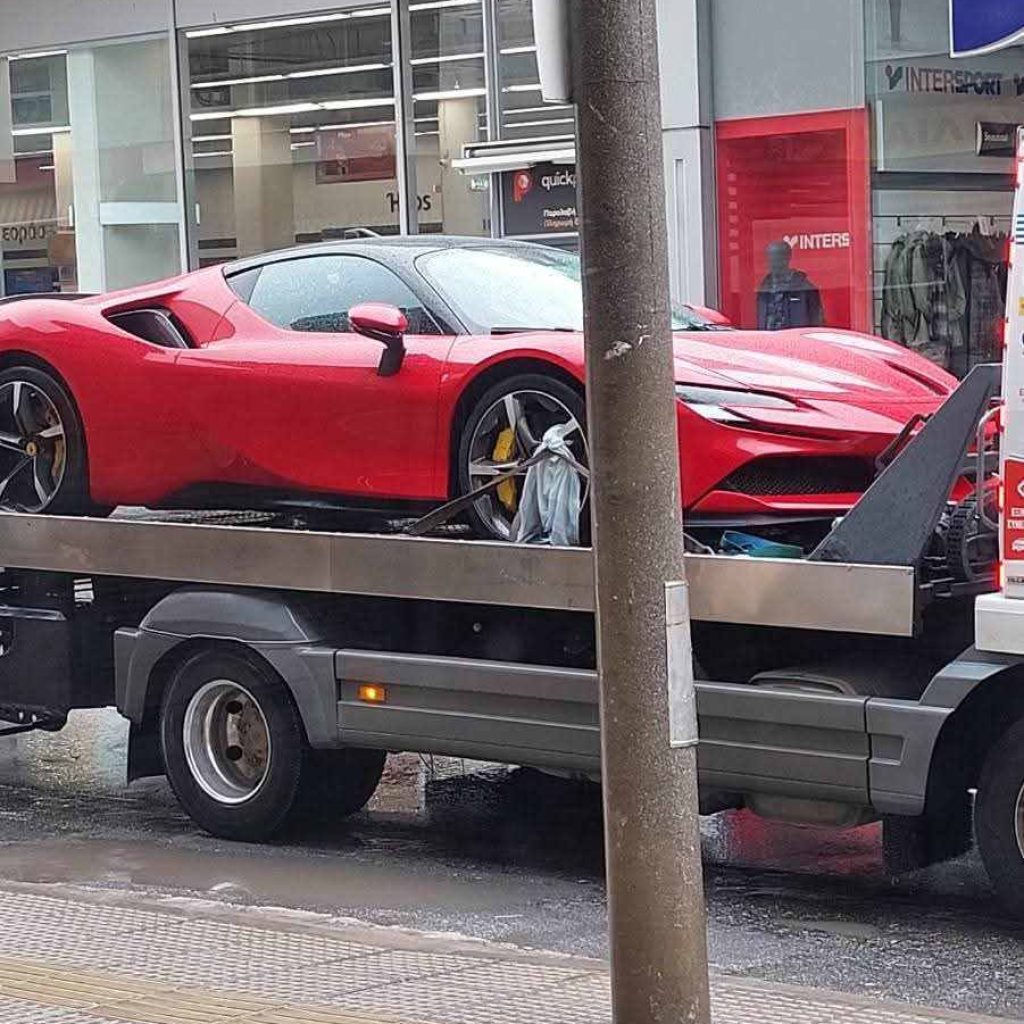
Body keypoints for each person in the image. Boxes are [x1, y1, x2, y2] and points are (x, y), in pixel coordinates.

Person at [756, 241, 824, 330]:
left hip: (795, 337)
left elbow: (816, 323)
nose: (772, 263)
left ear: (787, 259)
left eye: (777, 259)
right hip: (768, 336)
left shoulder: (805, 289)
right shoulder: (763, 289)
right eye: (770, 259)